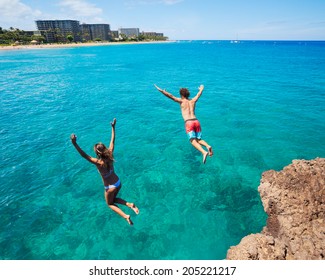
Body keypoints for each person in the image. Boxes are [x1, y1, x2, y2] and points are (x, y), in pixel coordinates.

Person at [70, 118, 139, 226]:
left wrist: (74, 144)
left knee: (109, 204)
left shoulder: (97, 162)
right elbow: (112, 140)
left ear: (97, 153)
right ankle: (129, 204)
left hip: (110, 187)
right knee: (114, 199)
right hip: (118, 182)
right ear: (105, 149)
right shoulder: (110, 154)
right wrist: (113, 127)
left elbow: (83, 155)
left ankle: (126, 216)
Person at [154, 84, 213, 163]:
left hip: (189, 122)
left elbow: (171, 96)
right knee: (198, 139)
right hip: (196, 121)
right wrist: (201, 89)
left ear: (181, 95)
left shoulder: (181, 101)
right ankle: (207, 146)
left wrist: (161, 91)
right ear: (188, 94)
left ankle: (204, 152)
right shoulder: (193, 100)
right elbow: (198, 95)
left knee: (192, 140)